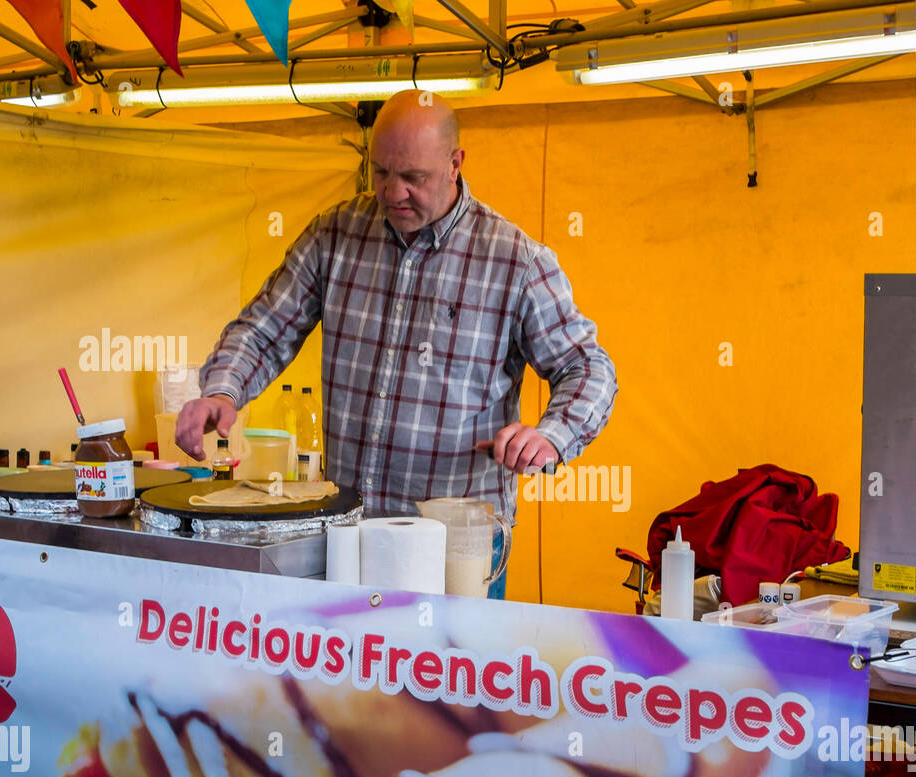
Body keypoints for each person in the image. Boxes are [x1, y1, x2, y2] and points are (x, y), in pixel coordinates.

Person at [175, 91, 618, 598]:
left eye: (414, 177)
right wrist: (222, 391)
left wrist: (551, 436)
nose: (393, 192)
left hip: (456, 550)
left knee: (452, 676)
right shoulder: (335, 235)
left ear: (455, 164)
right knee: (345, 678)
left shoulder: (516, 261)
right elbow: (263, 328)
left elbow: (589, 369)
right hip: (350, 538)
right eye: (380, 172)